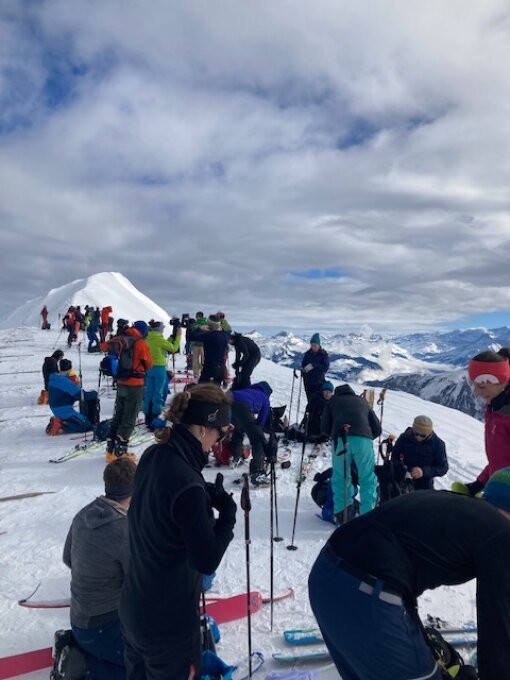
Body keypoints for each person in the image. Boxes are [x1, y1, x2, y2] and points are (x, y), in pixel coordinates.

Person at [309, 469, 510, 680]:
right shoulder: (501, 533)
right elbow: (497, 632)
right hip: (365, 591)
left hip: (326, 574)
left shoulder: (458, 505)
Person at [119, 384, 236, 680]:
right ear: (203, 428)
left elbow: (161, 503)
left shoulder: (153, 455)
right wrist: (227, 517)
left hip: (134, 607)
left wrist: (201, 494)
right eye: (220, 433)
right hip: (168, 625)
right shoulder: (188, 485)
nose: (219, 442)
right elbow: (206, 560)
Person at [61, 458, 137, 680]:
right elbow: (140, 583)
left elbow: (68, 558)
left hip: (79, 619)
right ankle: (83, 666)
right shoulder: (124, 528)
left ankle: (79, 652)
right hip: (105, 628)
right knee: (155, 663)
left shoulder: (84, 514)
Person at [452, 350, 510, 497]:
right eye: (475, 385)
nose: (476, 392)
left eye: (482, 387)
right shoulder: (494, 410)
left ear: (502, 381)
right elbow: (500, 459)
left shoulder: (505, 415)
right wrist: (480, 483)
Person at [321, 384, 381, 522]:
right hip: (364, 441)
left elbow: (324, 428)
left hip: (341, 439)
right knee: (367, 477)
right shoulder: (363, 402)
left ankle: (343, 515)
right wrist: (365, 436)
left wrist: (332, 434)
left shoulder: (333, 401)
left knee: (341, 477)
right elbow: (377, 428)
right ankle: (368, 515)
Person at [106, 321, 152, 461]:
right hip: (135, 384)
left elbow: (105, 347)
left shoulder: (121, 339)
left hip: (121, 382)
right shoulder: (140, 343)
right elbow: (149, 363)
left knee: (119, 414)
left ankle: (110, 449)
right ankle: (121, 451)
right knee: (130, 417)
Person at [230, 381, 273, 485]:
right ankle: (257, 474)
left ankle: (235, 457)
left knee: (238, 430)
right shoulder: (265, 398)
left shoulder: (248, 391)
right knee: (259, 439)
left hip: (228, 400)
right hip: (242, 406)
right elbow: (261, 421)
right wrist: (255, 431)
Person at [392, 415, 448, 490]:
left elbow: (443, 468)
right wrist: (400, 467)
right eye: (416, 434)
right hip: (401, 480)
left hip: (424, 485)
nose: (418, 437)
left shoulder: (438, 444)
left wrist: (423, 471)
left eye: (423, 435)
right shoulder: (405, 437)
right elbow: (395, 454)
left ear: (429, 433)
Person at [144, 321, 181, 428]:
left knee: (149, 393)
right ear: (160, 329)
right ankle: (155, 417)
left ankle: (148, 417)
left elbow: (163, 346)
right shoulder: (159, 339)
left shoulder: (148, 338)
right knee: (158, 393)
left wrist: (170, 339)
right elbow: (173, 348)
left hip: (149, 367)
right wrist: (178, 337)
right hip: (159, 368)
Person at [47, 359, 93, 435]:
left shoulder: (54, 377)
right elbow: (79, 395)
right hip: (64, 410)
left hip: (56, 408)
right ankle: (61, 425)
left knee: (81, 421)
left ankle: (58, 421)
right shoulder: (63, 381)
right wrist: (94, 394)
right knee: (86, 426)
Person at [189, 314, 229, 385]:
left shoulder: (209, 335)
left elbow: (191, 337)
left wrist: (199, 328)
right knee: (216, 388)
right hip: (221, 366)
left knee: (203, 387)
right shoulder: (225, 335)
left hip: (209, 366)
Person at [301, 333, 330, 402]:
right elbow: (303, 364)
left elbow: (325, 367)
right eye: (312, 345)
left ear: (319, 345)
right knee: (310, 400)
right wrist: (304, 370)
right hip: (308, 382)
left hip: (319, 382)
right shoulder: (308, 354)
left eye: (315, 345)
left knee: (319, 401)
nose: (313, 347)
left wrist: (314, 366)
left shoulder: (323, 354)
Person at [306, 381, 334, 446]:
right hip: (314, 431)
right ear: (322, 391)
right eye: (326, 391)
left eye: (329, 392)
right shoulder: (317, 399)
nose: (327, 394)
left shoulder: (331, 402)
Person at [190, 312, 209, 379]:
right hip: (204, 344)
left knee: (195, 360)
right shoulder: (207, 324)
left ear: (198, 316)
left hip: (196, 344)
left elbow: (192, 333)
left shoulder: (195, 324)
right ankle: (204, 373)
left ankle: (196, 374)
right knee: (204, 360)